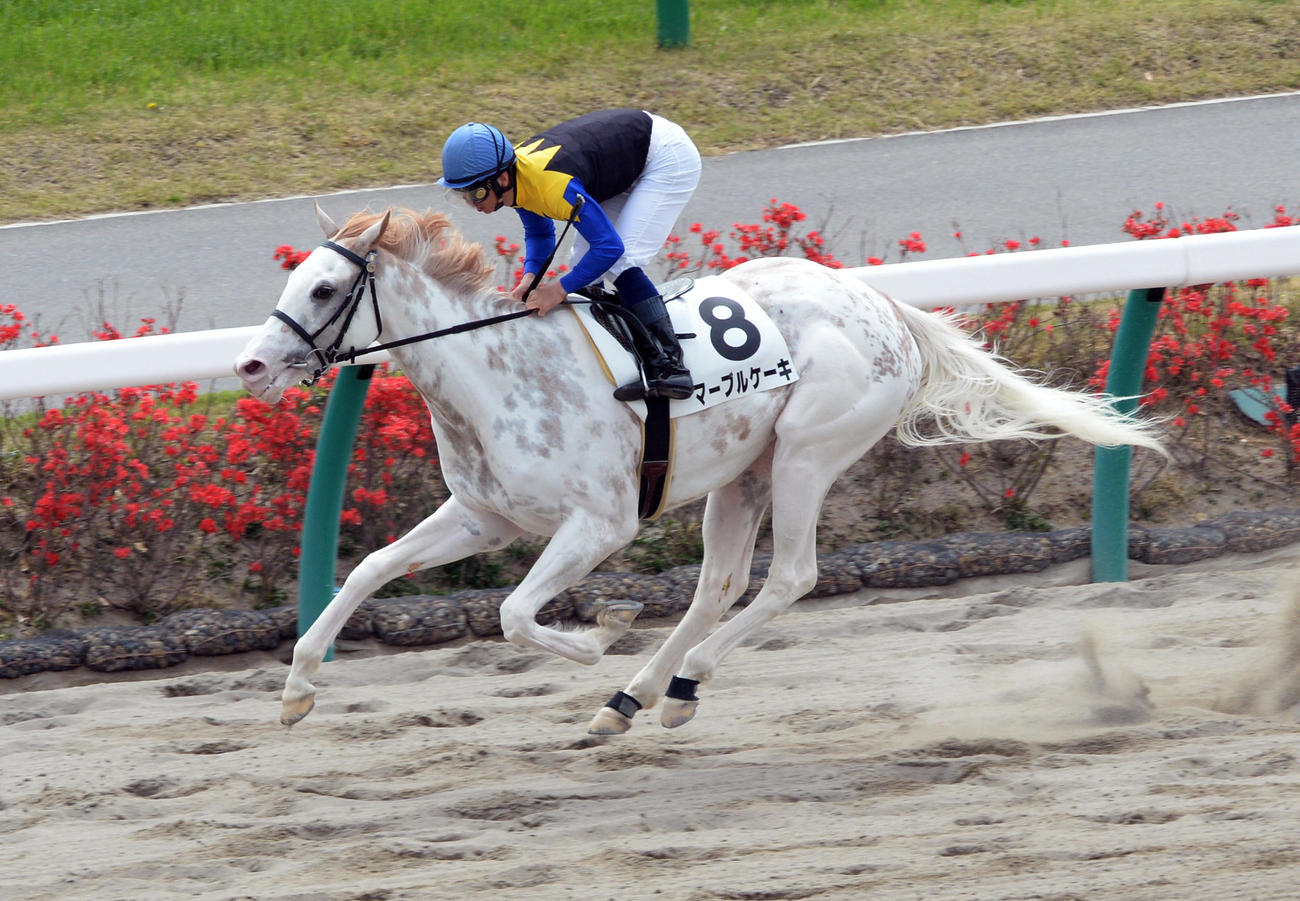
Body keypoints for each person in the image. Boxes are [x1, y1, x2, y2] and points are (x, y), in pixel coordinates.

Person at [437, 109, 702, 400]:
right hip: (625, 163)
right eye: (462, 195)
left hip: (666, 158)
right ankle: (617, 352)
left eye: (474, 193)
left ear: (501, 179)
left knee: (619, 262)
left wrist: (558, 290)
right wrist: (529, 279)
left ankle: (671, 367)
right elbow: (540, 233)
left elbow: (609, 248)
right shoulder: (517, 178)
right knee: (583, 266)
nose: (472, 204)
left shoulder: (551, 185)